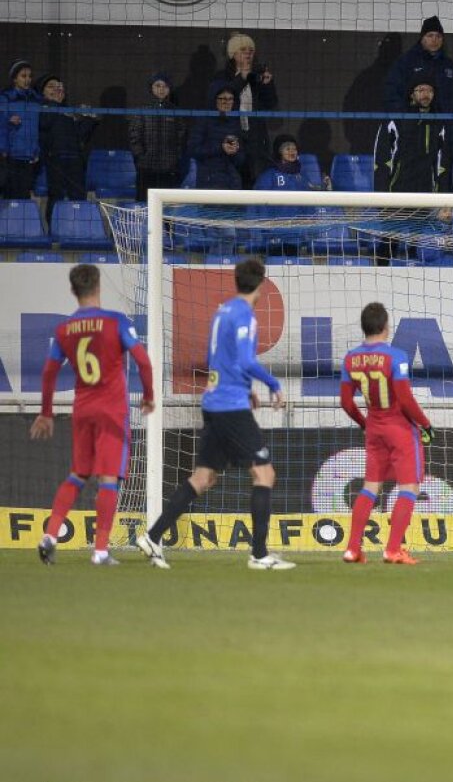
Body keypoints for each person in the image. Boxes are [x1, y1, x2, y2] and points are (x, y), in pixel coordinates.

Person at [136, 258, 294, 571]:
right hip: (229, 407)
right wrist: (273, 384)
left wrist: (244, 388)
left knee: (203, 477)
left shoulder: (222, 312)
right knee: (264, 474)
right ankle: (259, 555)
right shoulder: (245, 315)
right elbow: (246, 360)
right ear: (261, 284)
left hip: (214, 401)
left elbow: (218, 357)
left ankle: (152, 537)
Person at [31, 264, 155, 566]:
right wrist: (149, 395)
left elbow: (48, 372)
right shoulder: (116, 322)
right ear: (98, 286)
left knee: (78, 474)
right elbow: (143, 361)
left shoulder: (64, 329)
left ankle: (50, 535)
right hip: (111, 410)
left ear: (73, 291)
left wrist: (46, 413)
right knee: (108, 477)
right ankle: (100, 551)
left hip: (83, 408)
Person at [339, 303, 435, 565]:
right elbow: (404, 398)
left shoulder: (350, 359)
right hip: (400, 429)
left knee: (370, 486)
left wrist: (364, 423)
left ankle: (352, 549)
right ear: (385, 327)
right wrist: (425, 424)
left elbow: (346, 402)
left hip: (374, 428)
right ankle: (393, 549)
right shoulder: (396, 356)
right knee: (409, 487)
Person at [382, 17, 453, 191]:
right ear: (422, 38)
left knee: (442, 177)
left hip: (443, 131)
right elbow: (392, 94)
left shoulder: (449, 65)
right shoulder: (406, 62)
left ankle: (442, 207)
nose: (434, 40)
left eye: (438, 36)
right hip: (413, 134)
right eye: (430, 35)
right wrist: (407, 120)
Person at [209, 32, 278, 186]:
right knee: (231, 178)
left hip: (254, 136)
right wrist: (242, 77)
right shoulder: (222, 77)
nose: (248, 53)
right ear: (233, 54)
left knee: (254, 178)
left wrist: (267, 85)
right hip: (230, 132)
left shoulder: (258, 76)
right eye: (243, 50)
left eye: (251, 50)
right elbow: (224, 98)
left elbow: (271, 104)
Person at [36, 75, 98, 220]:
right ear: (42, 92)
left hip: (75, 160)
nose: (56, 89)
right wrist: (55, 104)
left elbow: (80, 136)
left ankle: (78, 228)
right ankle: (54, 230)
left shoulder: (68, 111)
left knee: (78, 196)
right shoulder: (41, 109)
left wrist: (89, 119)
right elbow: (44, 124)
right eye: (51, 87)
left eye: (59, 86)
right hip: (55, 159)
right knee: (56, 196)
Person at [373, 73, 448, 193]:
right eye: (421, 90)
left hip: (426, 194)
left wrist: (442, 195)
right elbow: (381, 159)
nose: (426, 94)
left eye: (430, 90)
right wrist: (382, 196)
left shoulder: (438, 123)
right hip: (397, 192)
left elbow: (442, 163)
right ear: (411, 94)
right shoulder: (396, 120)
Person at [129, 72, 187, 201]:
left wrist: (175, 158)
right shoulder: (142, 111)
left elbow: (181, 137)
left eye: (165, 86)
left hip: (169, 169)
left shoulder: (176, 112)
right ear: (151, 88)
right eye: (158, 85)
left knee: (168, 206)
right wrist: (141, 157)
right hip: (146, 168)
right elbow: (135, 137)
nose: (161, 89)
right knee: (145, 204)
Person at [188, 85, 246, 190]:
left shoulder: (236, 123)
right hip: (208, 179)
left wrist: (234, 152)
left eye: (230, 99)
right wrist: (221, 148)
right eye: (223, 98)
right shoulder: (203, 121)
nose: (227, 102)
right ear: (214, 100)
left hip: (232, 181)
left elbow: (241, 159)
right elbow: (193, 150)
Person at [1, 59, 42, 199]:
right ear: (14, 79)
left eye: (30, 76)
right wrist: (8, 121)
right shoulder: (6, 98)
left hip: (30, 156)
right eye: (23, 76)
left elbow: (39, 127)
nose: (27, 80)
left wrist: (37, 149)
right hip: (11, 155)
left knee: (24, 196)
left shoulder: (36, 99)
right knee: (10, 196)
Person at [254, 133, 330, 192]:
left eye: (294, 149)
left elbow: (310, 190)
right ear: (279, 152)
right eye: (288, 149)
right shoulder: (269, 175)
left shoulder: (301, 174)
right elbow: (259, 201)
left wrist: (324, 186)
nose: (292, 152)